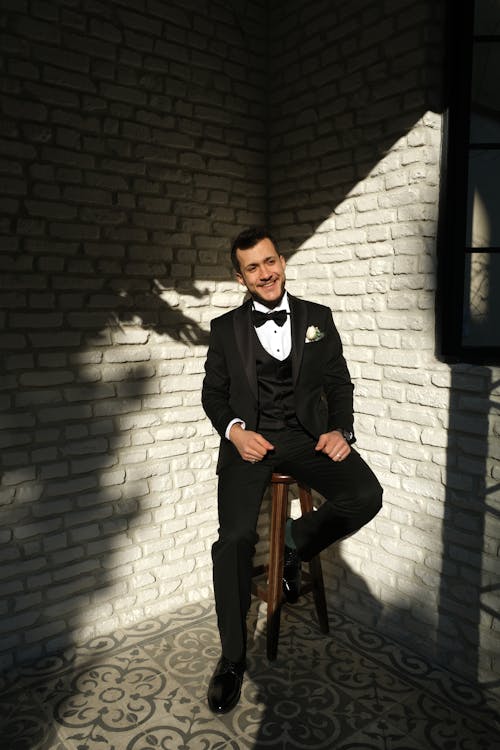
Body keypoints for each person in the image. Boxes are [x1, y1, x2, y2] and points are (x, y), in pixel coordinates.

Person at [201, 226, 382, 714]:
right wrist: (235, 430)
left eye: (270, 261)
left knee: (366, 495)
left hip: (306, 439)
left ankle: (295, 546)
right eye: (253, 267)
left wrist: (340, 430)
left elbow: (339, 382)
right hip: (249, 445)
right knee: (235, 539)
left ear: (282, 260)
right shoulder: (223, 330)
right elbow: (213, 395)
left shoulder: (317, 318)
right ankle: (233, 660)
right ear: (239, 277)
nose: (266, 273)